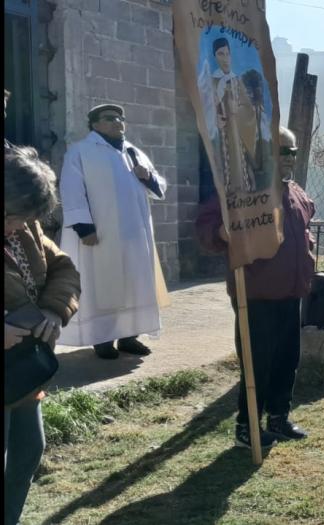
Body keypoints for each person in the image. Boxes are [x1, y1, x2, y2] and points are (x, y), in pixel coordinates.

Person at [196, 127, 315, 448]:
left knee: (286, 360)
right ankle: (247, 427)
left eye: (292, 151)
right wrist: (223, 231)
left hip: (292, 292)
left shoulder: (296, 192)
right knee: (257, 364)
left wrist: (307, 251)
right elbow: (206, 228)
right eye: (282, 151)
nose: (289, 157)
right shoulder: (242, 190)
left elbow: (304, 226)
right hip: (257, 293)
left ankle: (279, 418)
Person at [5, 146, 82, 525]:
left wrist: (53, 309)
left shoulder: (27, 228)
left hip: (21, 370)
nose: (19, 227)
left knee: (27, 453)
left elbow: (64, 268)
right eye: (15, 217)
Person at [58, 104, 167, 359]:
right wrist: (84, 228)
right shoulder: (81, 152)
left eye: (121, 118)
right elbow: (72, 190)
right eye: (110, 118)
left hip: (135, 235)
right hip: (102, 236)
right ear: (95, 124)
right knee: (104, 287)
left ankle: (129, 337)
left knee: (135, 285)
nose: (118, 122)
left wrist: (148, 176)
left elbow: (158, 187)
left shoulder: (134, 152)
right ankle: (103, 340)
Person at [210, 37, 257, 195]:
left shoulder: (237, 81)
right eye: (220, 54)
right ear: (215, 57)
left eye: (227, 53)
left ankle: (240, 189)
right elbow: (207, 107)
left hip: (236, 131)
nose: (225, 58)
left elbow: (249, 109)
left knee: (237, 161)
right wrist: (215, 117)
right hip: (220, 131)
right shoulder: (212, 81)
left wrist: (237, 109)